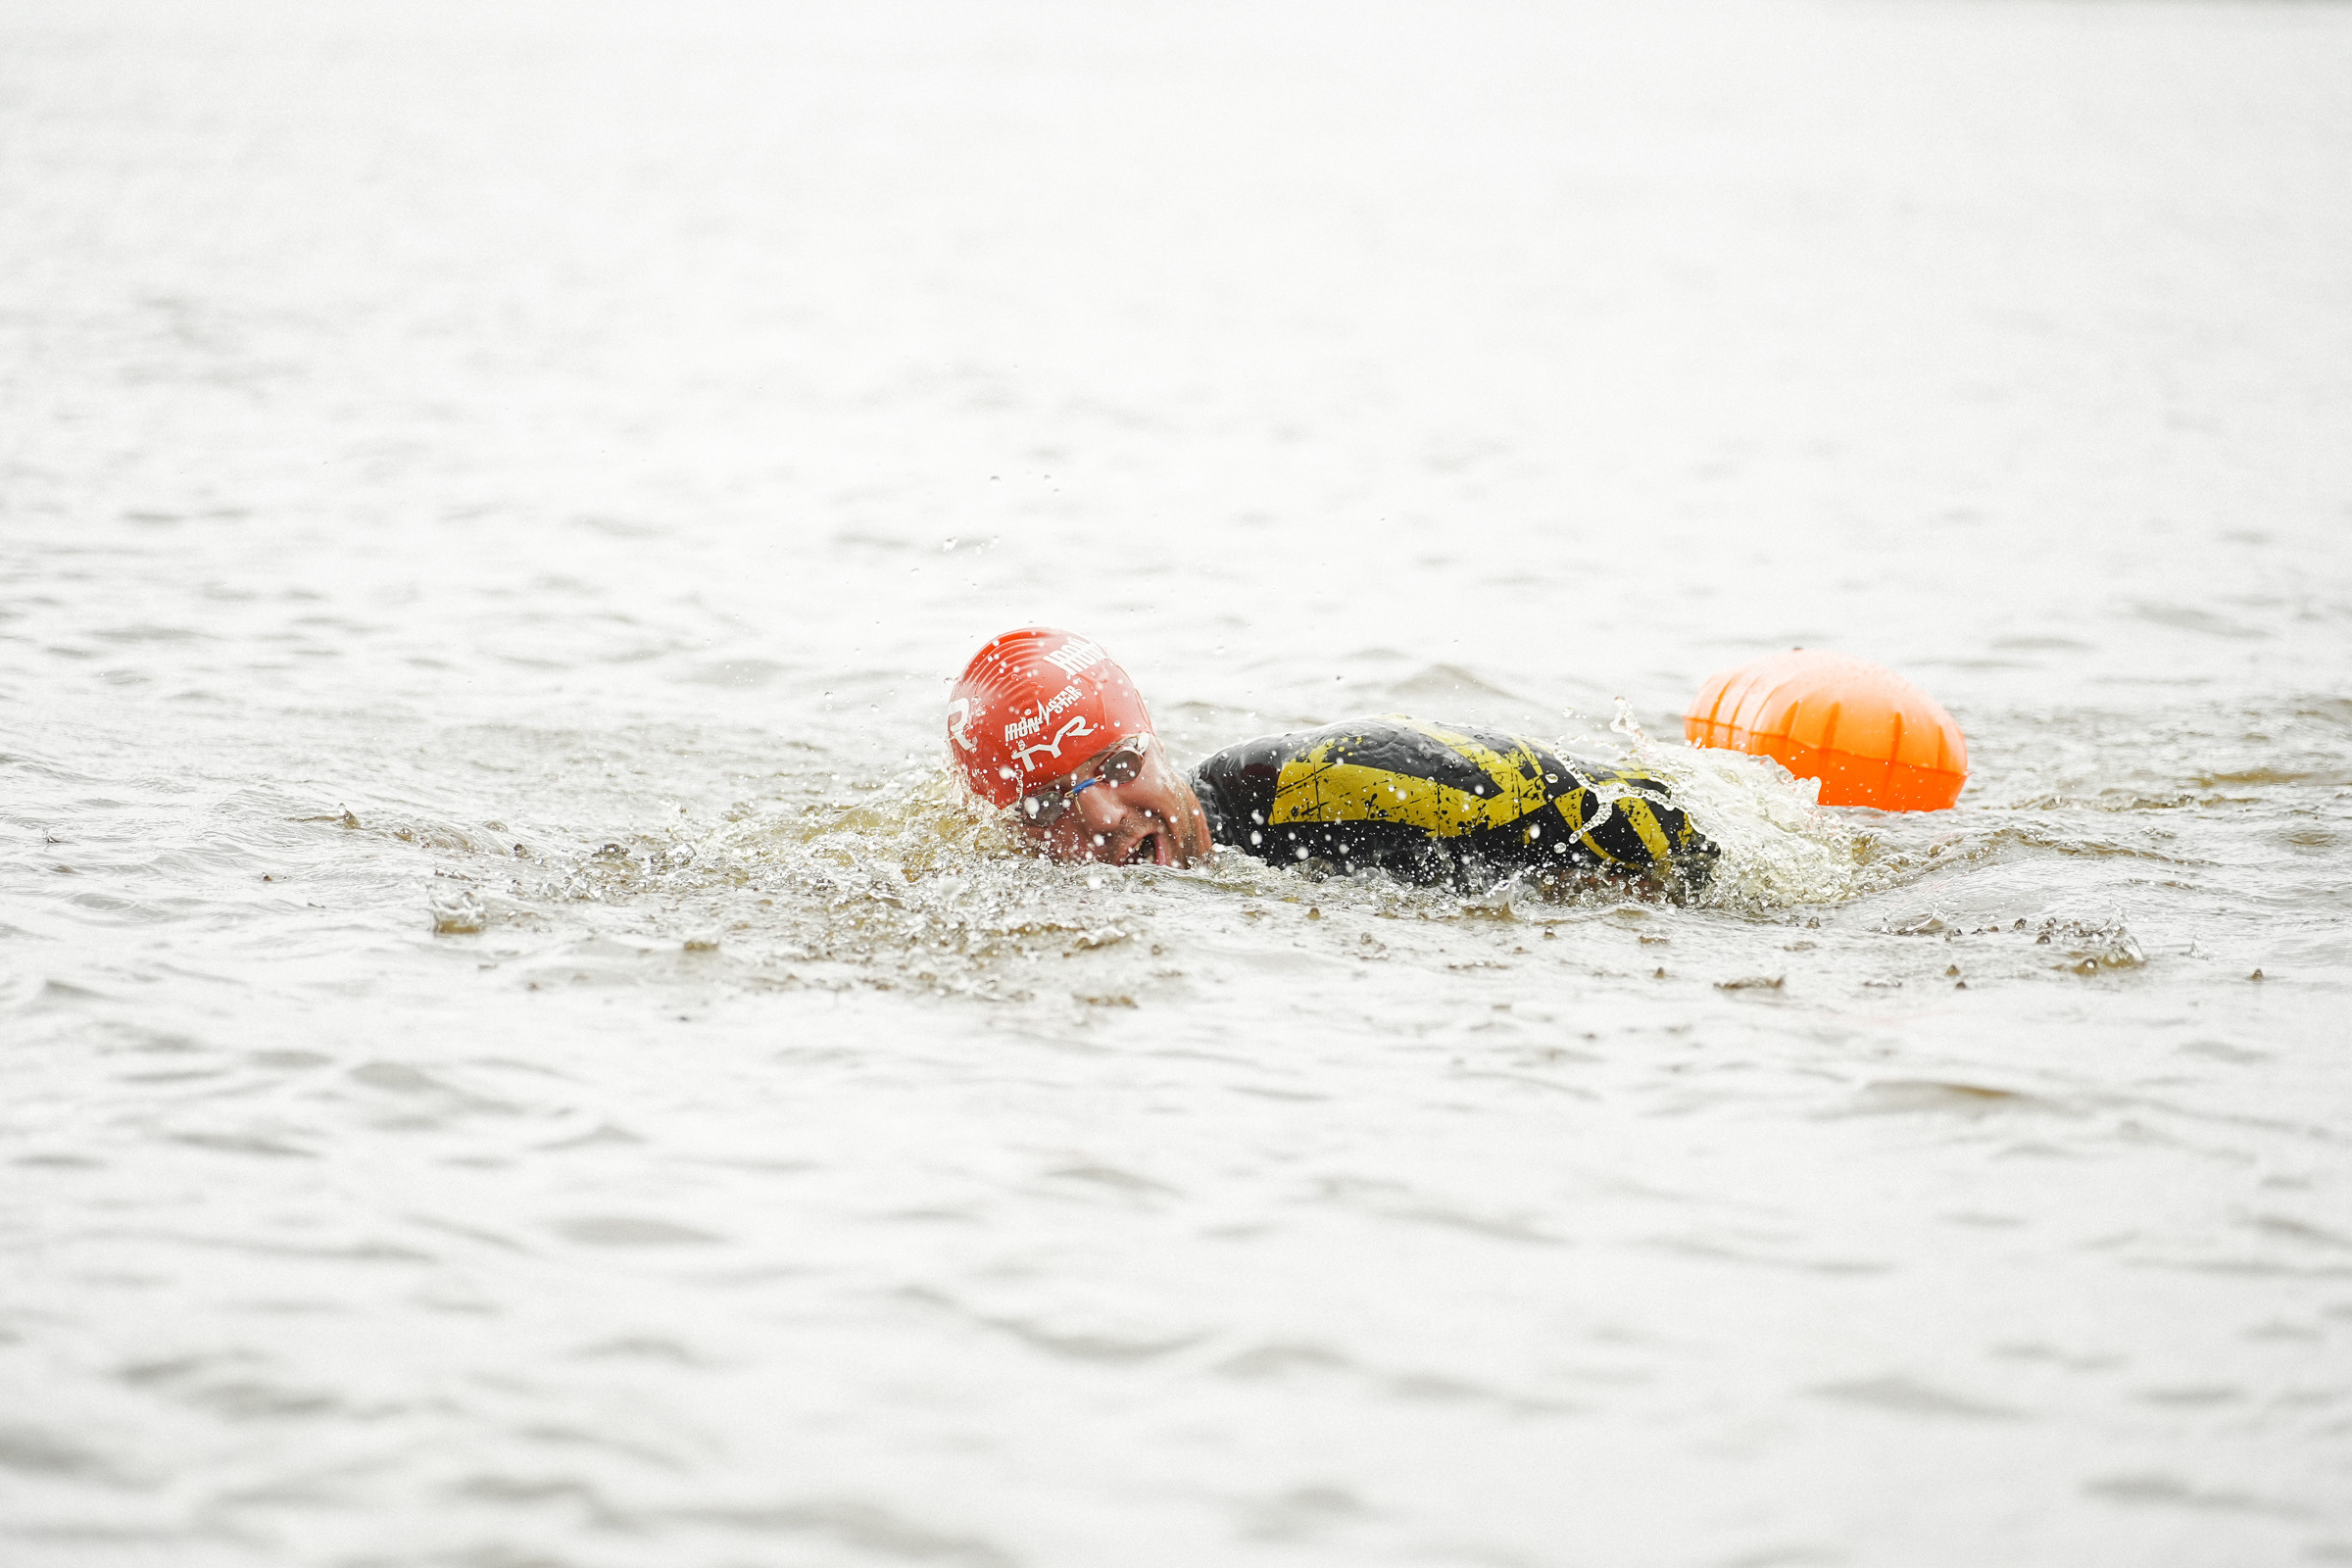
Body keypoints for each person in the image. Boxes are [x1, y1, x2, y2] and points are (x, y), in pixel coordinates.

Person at [947, 626, 1716, 891]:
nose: (1105, 820)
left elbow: (1676, 832)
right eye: (1048, 804)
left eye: (1118, 768)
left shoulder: (1357, 784)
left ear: (1154, 735)